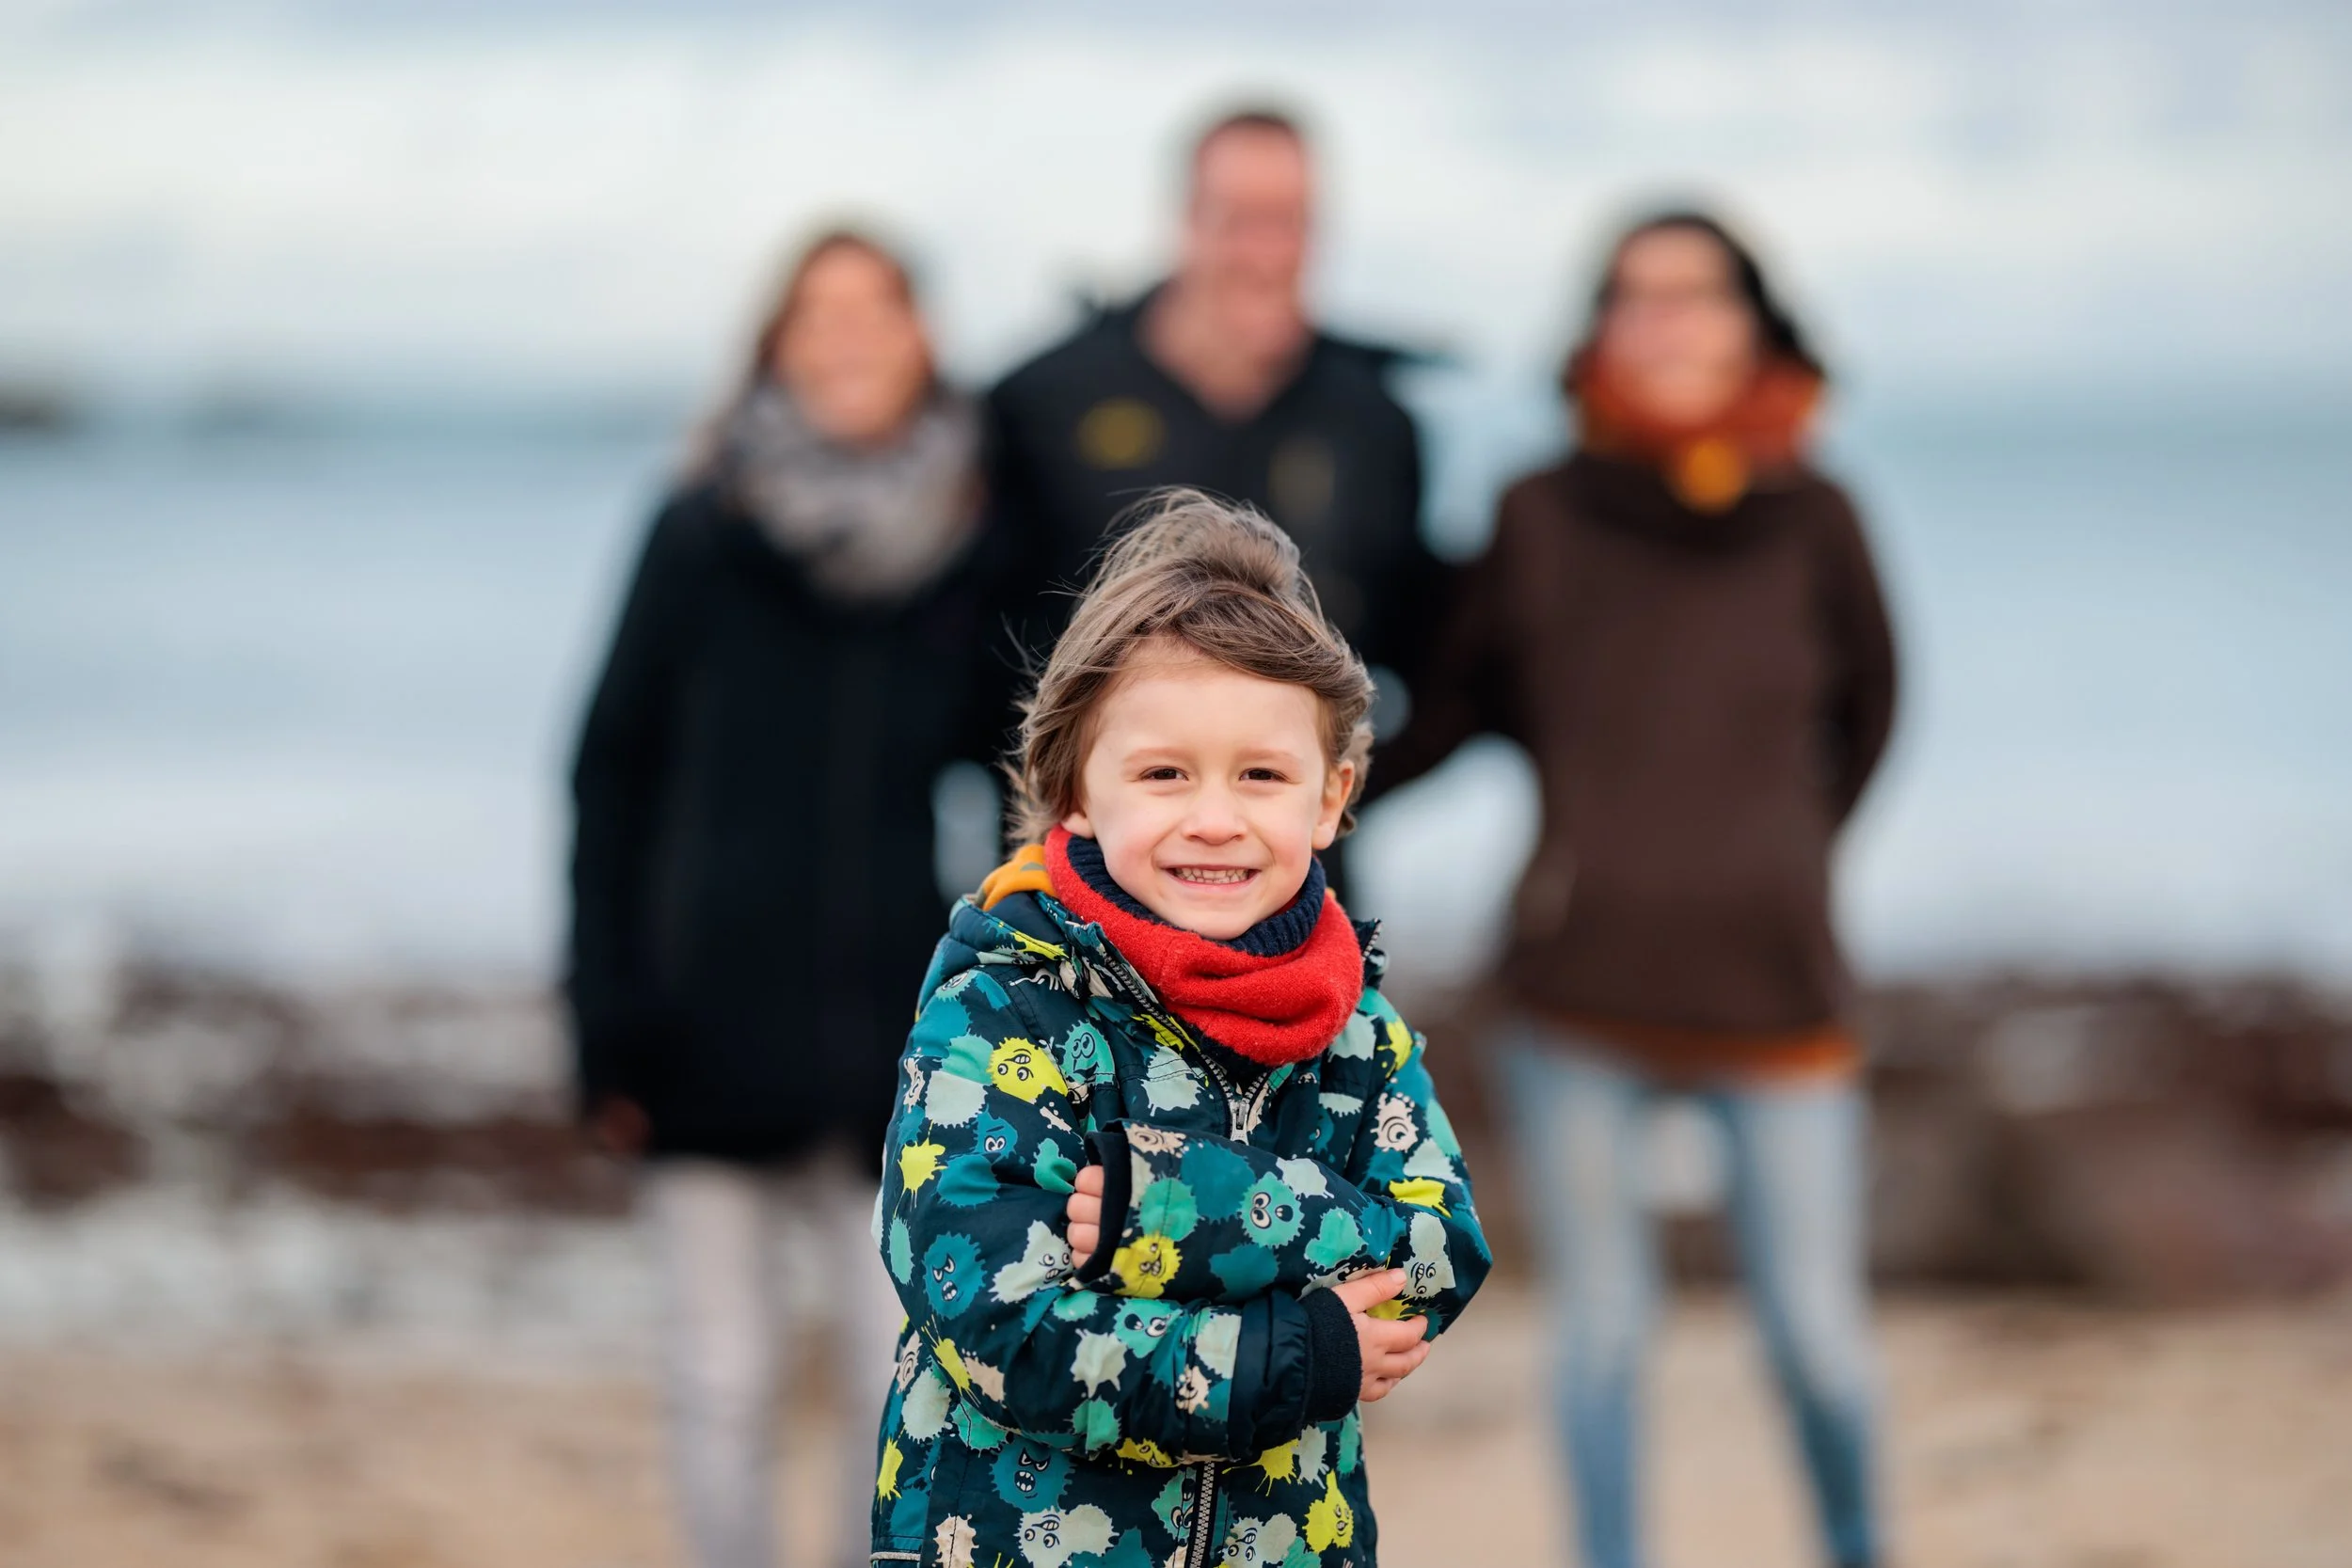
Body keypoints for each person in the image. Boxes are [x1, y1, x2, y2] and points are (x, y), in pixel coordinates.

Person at [1373, 212, 1899, 1568]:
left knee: (1818, 1337)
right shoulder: (1538, 512)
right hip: (1579, 991)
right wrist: (1275, 791)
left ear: (1753, 322)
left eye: (1695, 292)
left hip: (1779, 988)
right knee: (1601, 1335)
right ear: (1597, 327)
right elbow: (1453, 707)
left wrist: (1780, 853)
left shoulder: (1817, 512)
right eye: (1633, 294)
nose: (1664, 319)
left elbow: (1874, 711)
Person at [866, 493, 1491, 1563]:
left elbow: (1435, 1257)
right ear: (1073, 789)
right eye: (1164, 773)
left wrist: (1187, 1206)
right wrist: (1301, 1349)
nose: (1213, 818)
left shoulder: (1354, 1027)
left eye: (1261, 774)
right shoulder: (998, 1012)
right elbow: (1005, 1334)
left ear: (1330, 797)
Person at [566, 229, 1015, 1568]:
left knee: (906, 1387)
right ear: (776, 345)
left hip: (899, 1037)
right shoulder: (698, 526)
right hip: (697, 1023)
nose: (850, 335)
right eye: (820, 312)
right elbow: (608, 773)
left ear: (923, 337)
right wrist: (603, 1015)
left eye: (877, 307)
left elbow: (1022, 789)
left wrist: (1023, 1010)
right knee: (722, 1376)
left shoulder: (972, 542)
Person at [987, 108, 1439, 775]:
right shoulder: (1042, 401)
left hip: (1295, 830)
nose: (1266, 254)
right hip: (1082, 824)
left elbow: (1426, 654)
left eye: (1290, 221)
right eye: (1239, 221)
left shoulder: (1375, 424)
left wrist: (1346, 795)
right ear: (1186, 221)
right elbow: (969, 654)